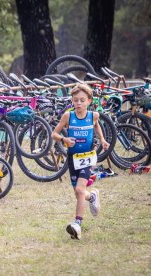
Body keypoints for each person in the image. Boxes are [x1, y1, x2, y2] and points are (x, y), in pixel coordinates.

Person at [52, 83, 110, 240]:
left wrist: (102, 139)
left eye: (82, 100)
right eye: (75, 100)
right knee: (78, 193)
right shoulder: (68, 116)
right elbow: (54, 134)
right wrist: (64, 139)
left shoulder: (93, 115)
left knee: (79, 189)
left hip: (87, 157)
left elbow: (96, 125)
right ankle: (92, 197)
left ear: (89, 101)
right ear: (72, 100)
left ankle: (77, 224)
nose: (78, 103)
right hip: (72, 158)